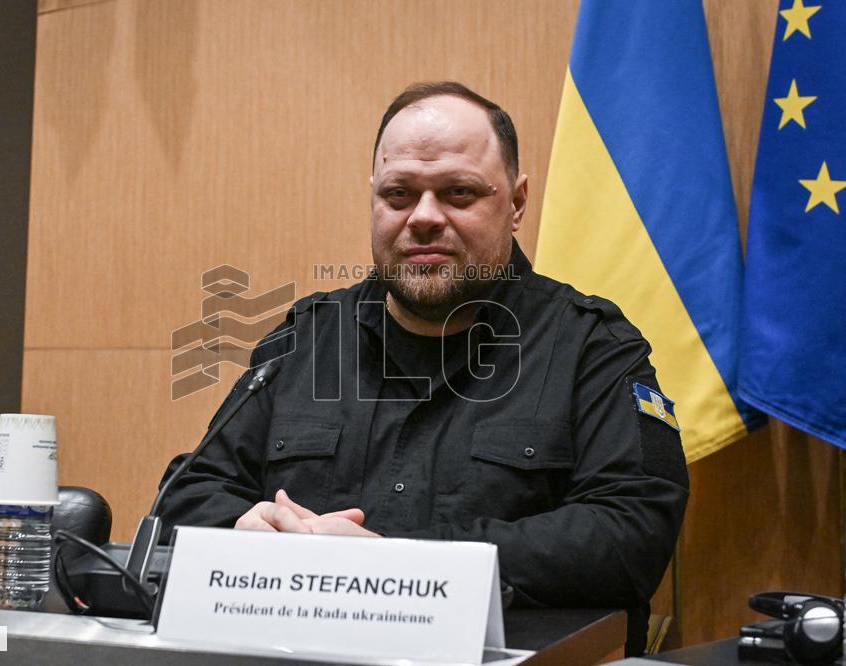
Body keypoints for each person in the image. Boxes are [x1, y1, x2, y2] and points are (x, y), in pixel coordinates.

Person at [159, 81, 689, 656]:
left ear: (516, 202)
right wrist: (247, 529)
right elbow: (187, 496)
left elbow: (631, 534)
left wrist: (391, 561)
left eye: (459, 192)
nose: (424, 218)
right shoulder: (306, 338)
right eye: (399, 194)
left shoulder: (593, 344)